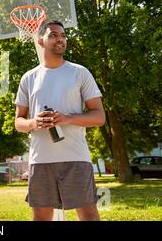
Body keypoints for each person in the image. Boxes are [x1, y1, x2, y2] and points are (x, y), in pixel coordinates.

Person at [14, 21, 106, 221]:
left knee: (89, 215)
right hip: (41, 160)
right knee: (41, 218)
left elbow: (99, 116)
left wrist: (67, 118)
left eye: (63, 36)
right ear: (40, 41)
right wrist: (34, 123)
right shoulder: (28, 78)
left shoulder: (79, 72)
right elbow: (18, 122)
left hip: (76, 157)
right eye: (54, 35)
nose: (60, 39)